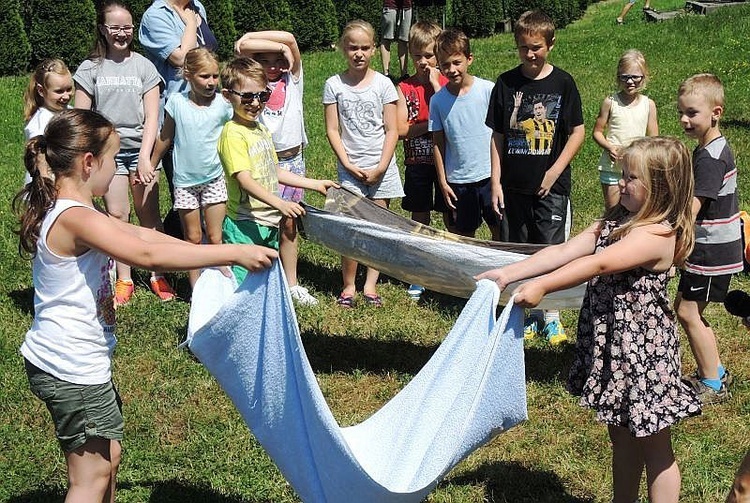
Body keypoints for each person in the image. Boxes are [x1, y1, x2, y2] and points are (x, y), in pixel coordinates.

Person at [12, 109, 276, 503]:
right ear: (88, 163)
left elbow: (140, 233)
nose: (119, 167)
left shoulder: (77, 210)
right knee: (91, 477)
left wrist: (210, 251)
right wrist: (233, 252)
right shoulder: (75, 218)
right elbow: (145, 254)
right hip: (69, 364)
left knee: (108, 458)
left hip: (73, 360)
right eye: (115, 159)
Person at [477, 136, 701, 503]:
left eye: (631, 178)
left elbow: (598, 263)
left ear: (660, 186)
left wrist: (543, 287)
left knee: (654, 444)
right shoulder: (619, 220)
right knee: (621, 433)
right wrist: (508, 273)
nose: (620, 183)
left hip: (644, 354)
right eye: (622, 174)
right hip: (614, 346)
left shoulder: (658, 233)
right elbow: (564, 250)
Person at [486, 9, 585, 344]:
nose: (530, 54)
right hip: (512, 187)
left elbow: (577, 132)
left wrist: (553, 171)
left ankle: (552, 316)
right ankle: (526, 314)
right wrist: (495, 183)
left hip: (551, 189)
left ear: (550, 45)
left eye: (537, 47)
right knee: (520, 253)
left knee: (550, 250)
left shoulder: (563, 83)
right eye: (524, 47)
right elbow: (498, 137)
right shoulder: (505, 83)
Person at [74, 0, 176, 306]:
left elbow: (152, 116)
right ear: (103, 30)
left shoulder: (144, 66)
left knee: (150, 217)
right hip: (108, 156)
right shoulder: (89, 68)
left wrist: (146, 156)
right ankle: (124, 278)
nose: (122, 33)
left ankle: (157, 273)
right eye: (115, 28)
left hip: (140, 152)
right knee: (117, 216)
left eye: (127, 27)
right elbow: (81, 117)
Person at [219, 57, 336, 286]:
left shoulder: (260, 129)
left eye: (262, 96)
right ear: (227, 95)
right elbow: (244, 180)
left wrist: (315, 184)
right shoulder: (232, 134)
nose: (255, 103)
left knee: (261, 283)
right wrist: (280, 203)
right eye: (247, 96)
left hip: (267, 222)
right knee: (243, 286)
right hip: (245, 224)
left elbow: (274, 171)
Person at [323, 20, 404, 308]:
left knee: (379, 228)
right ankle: (348, 286)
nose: (359, 53)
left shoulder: (384, 84)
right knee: (351, 229)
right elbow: (333, 129)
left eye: (365, 47)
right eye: (353, 47)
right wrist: (346, 163)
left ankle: (371, 285)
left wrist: (381, 166)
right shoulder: (334, 85)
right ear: (344, 49)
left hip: (381, 167)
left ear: (374, 49)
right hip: (350, 168)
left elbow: (392, 129)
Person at [233, 30, 317, 306]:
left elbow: (292, 39)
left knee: (290, 223)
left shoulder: (293, 80)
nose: (273, 66)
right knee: (263, 222)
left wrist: (284, 49)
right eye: (265, 61)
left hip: (293, 162)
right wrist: (256, 40)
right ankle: (260, 280)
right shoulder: (254, 89)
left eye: (278, 60)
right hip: (265, 162)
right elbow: (242, 46)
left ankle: (291, 283)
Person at [674, 73, 743, 405]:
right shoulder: (709, 148)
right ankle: (716, 371)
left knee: (688, 312)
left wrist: (670, 234)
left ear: (716, 112)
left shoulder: (711, 157)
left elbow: (694, 205)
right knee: (689, 310)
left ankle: (712, 384)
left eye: (692, 113)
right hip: (714, 246)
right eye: (682, 113)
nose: (685, 120)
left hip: (711, 248)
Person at [150, 48, 232, 292]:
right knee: (193, 238)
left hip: (214, 178)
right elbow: (165, 138)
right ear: (188, 75)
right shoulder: (176, 103)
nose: (211, 82)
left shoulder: (223, 105)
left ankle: (223, 283)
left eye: (215, 76)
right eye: (204, 76)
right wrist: (151, 164)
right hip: (185, 182)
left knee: (216, 236)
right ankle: (197, 288)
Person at [139, 0, 218, 238]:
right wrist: (192, 24)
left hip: (208, 112)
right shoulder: (156, 16)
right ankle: (189, 253)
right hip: (179, 117)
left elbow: (207, 57)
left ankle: (209, 247)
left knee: (214, 189)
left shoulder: (197, 7)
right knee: (187, 196)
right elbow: (182, 58)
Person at [429, 28, 502, 244]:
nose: (451, 69)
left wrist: (500, 174)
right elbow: (437, 144)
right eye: (445, 65)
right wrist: (443, 181)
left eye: (456, 62)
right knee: (464, 237)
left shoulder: (488, 90)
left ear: (469, 59)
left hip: (490, 176)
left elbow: (499, 133)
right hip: (459, 180)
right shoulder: (438, 101)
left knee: (499, 229)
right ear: (438, 66)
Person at [396, 20, 448, 301]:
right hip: (417, 162)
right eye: (418, 56)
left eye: (429, 56)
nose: (424, 62)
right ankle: (419, 271)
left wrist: (435, 84)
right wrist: (430, 125)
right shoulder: (404, 87)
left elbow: (452, 118)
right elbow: (402, 129)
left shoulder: (446, 84)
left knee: (450, 214)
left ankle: (452, 267)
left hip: (447, 163)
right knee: (420, 216)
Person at [592, 49, 658, 210]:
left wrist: (642, 155)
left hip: (637, 168)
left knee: (636, 211)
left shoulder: (648, 104)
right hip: (612, 167)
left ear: (644, 77)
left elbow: (654, 139)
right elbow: (597, 132)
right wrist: (610, 147)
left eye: (635, 77)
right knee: (614, 211)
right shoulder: (610, 102)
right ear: (618, 77)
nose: (630, 81)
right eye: (625, 77)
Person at [22, 58, 74, 185]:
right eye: (59, 91)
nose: (66, 96)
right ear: (41, 91)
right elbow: (39, 157)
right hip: (45, 184)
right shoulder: (41, 122)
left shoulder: (71, 111)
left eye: (69, 89)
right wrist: (47, 184)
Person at [380, 0, 412, 81]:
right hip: (390, 4)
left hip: (406, 6)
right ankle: (386, 74)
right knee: (386, 38)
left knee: (404, 40)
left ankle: (404, 75)